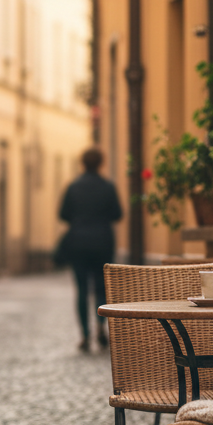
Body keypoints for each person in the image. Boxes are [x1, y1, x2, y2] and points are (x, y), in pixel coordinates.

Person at [58, 148, 123, 352]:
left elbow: (63, 214)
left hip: (78, 243)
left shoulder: (73, 187)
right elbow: (118, 214)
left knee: (82, 290)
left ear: (82, 163)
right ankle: (101, 328)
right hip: (102, 243)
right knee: (101, 288)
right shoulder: (108, 187)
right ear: (101, 163)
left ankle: (85, 334)